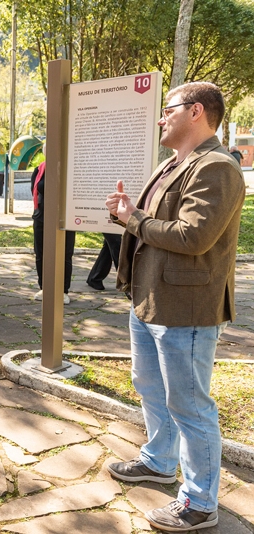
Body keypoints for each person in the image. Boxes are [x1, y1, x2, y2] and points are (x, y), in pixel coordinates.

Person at [105, 82, 245, 532]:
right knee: (148, 385)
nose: (161, 118)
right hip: (150, 300)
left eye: (168, 110)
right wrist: (128, 213)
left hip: (185, 307)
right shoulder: (173, 164)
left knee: (189, 403)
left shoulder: (217, 167)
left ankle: (201, 502)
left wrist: (135, 219)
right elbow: (154, 225)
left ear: (196, 112)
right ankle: (160, 461)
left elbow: (192, 236)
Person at [30, 149, 76, 304]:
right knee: (41, 254)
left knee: (65, 254)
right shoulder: (39, 169)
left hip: (64, 218)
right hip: (41, 217)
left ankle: (63, 291)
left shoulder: (69, 169)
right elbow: (34, 190)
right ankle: (44, 287)